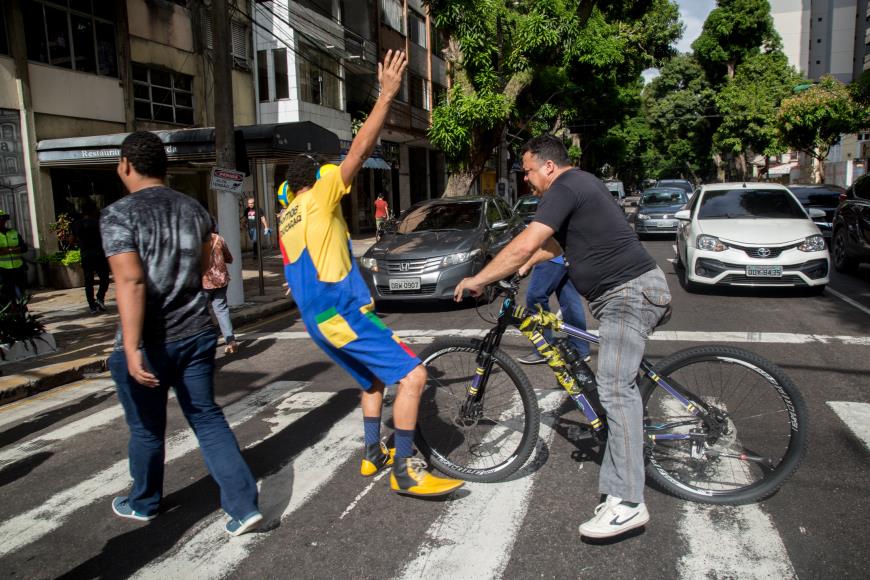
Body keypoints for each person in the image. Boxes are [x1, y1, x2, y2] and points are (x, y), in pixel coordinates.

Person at [454, 135, 671, 540]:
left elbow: (528, 241)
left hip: (629, 294)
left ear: (548, 166)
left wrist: (480, 278)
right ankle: (618, 488)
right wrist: (520, 269)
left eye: (528, 171)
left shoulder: (563, 188)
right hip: (627, 292)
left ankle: (628, 503)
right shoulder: (580, 184)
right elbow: (552, 245)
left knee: (614, 388)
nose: (526, 179)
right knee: (613, 384)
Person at [278, 50, 463, 497]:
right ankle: (406, 469)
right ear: (316, 178)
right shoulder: (319, 194)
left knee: (372, 379)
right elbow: (359, 151)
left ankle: (370, 453)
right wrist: (386, 96)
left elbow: (297, 275)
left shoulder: (287, 219)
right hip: (342, 313)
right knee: (414, 376)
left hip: (319, 322)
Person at [102, 131, 261, 536]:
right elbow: (204, 267)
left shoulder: (118, 215)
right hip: (195, 332)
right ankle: (244, 506)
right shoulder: (194, 209)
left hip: (151, 341)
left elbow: (131, 281)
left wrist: (132, 347)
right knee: (206, 418)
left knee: (146, 428)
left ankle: (144, 502)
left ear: (126, 165)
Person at [516, 255, 591, 367]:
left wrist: (527, 263)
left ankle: (544, 350)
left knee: (535, 297)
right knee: (569, 299)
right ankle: (579, 349)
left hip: (549, 254)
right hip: (566, 254)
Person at [203, 218, 240, 354]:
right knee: (222, 310)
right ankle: (231, 341)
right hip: (221, 281)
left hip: (205, 282)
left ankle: (206, 343)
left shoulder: (197, 241)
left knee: (201, 312)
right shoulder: (219, 239)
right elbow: (229, 258)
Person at [72, 200, 110, 314]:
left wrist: (80, 243)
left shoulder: (77, 224)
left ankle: (92, 305)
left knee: (89, 281)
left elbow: (72, 240)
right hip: (99, 254)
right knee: (104, 278)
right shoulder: (98, 223)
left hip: (86, 254)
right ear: (94, 210)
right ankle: (100, 298)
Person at [0, 208, 28, 301]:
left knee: (21, 291)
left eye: (3, 220)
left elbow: (24, 248)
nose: (2, 222)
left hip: (18, 267)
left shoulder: (14, 233)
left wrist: (11, 250)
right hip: (2, 269)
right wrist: (11, 250)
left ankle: (22, 307)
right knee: (6, 292)